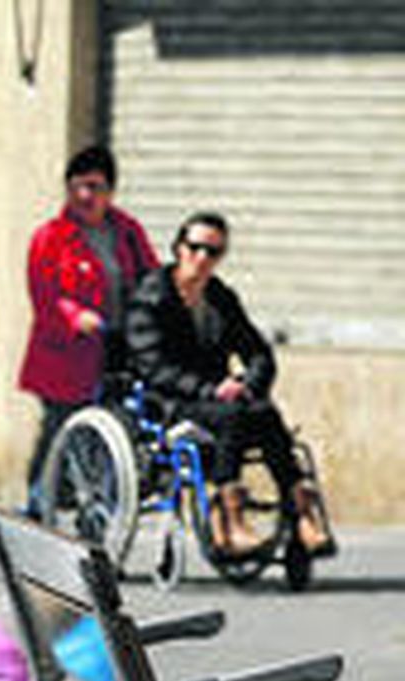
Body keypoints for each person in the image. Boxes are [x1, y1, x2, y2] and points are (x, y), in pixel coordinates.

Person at [126, 211, 334, 558]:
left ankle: (301, 512)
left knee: (263, 411)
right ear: (178, 248)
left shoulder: (220, 297)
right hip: (169, 402)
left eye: (214, 252)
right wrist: (211, 390)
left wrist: (248, 384)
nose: (203, 258)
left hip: (219, 400)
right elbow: (153, 367)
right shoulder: (150, 298)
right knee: (234, 415)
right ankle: (228, 520)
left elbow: (258, 352)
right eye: (195, 248)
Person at [19, 145, 158, 518]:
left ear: (110, 191)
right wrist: (76, 316)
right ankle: (38, 502)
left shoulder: (127, 232)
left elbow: (151, 278)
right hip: (66, 356)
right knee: (60, 430)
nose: (84, 195)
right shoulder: (51, 237)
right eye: (76, 186)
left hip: (116, 352)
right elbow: (45, 295)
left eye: (94, 187)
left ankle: (99, 508)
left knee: (111, 432)